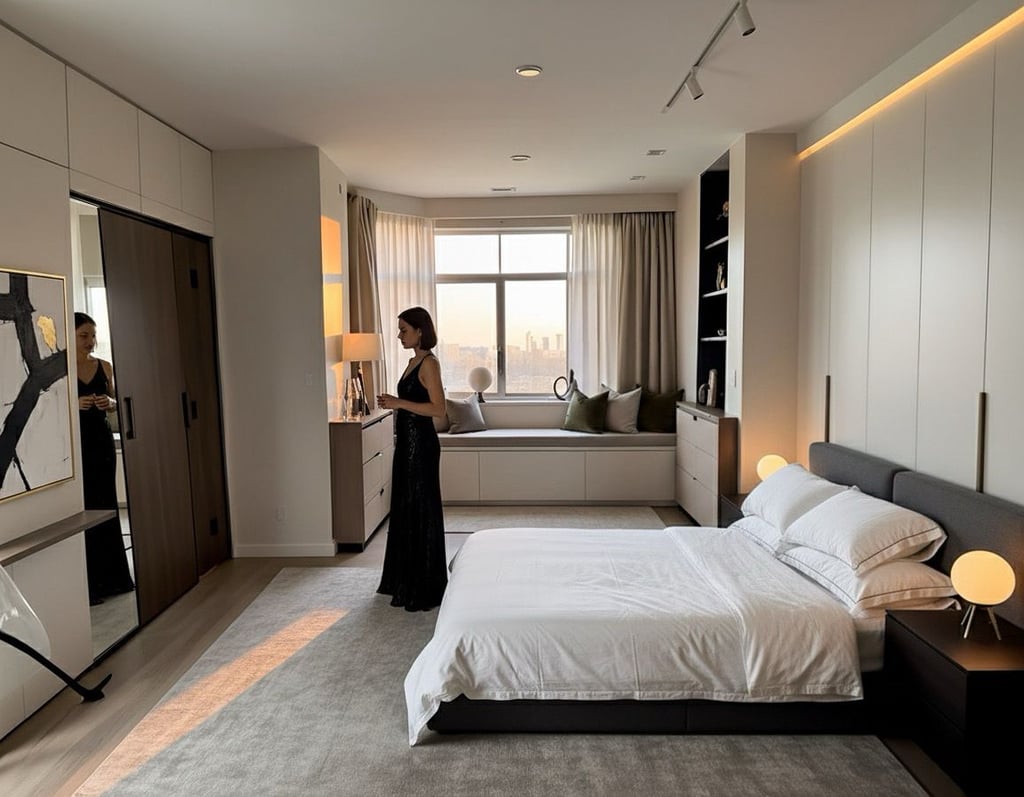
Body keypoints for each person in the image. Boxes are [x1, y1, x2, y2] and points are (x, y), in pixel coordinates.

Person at [376, 307, 448, 611]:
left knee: (420, 508)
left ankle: (425, 584)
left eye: (404, 330)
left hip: (421, 446)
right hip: (407, 444)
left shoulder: (429, 363)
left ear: (420, 331)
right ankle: (403, 577)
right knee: (406, 507)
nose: (399, 335)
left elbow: (438, 409)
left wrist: (398, 403)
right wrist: (396, 405)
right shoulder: (412, 362)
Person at [75, 312, 135, 606]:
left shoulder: (105, 367)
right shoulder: (59, 370)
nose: (90, 341)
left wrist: (108, 402)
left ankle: (115, 579)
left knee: (106, 504)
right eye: (84, 335)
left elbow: (115, 405)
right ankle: (91, 584)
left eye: (93, 335)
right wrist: (74, 405)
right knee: (84, 507)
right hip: (77, 447)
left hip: (101, 443)